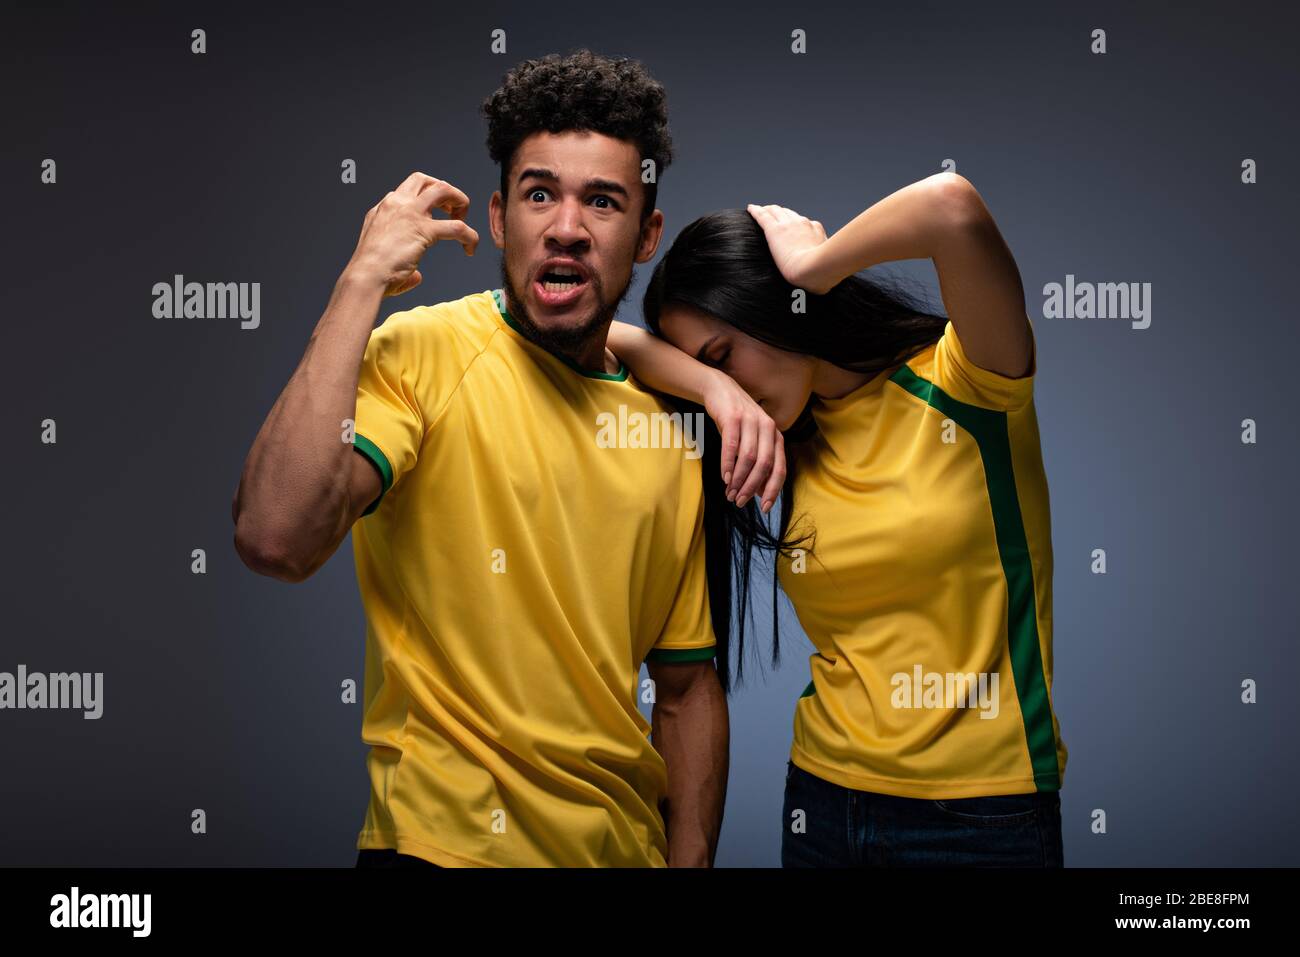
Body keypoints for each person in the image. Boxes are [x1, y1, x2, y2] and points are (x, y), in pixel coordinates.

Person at [231, 49, 728, 868]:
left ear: (645, 235)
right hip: (440, 850)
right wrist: (358, 281)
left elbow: (684, 689)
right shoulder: (422, 355)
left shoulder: (668, 431)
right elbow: (276, 538)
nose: (566, 226)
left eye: (602, 201)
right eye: (541, 194)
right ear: (500, 219)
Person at [605, 173, 1067, 866]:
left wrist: (814, 266)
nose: (733, 390)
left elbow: (951, 206)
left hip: (983, 813)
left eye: (726, 354)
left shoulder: (967, 381)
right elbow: (597, 337)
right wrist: (715, 388)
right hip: (821, 800)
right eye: (705, 371)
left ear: (778, 304)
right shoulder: (786, 442)